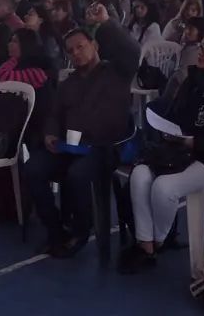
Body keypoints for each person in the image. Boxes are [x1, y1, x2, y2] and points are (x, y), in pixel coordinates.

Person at [119, 32, 204, 274]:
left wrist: (197, 143)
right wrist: (169, 131)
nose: (200, 52)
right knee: (139, 175)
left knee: (164, 188)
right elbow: (174, 113)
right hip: (177, 149)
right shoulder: (193, 81)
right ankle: (145, 245)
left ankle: (158, 240)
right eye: (200, 47)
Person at [24, 29, 132, 259]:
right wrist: (51, 134)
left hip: (102, 147)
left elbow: (132, 50)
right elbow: (54, 114)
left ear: (94, 45)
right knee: (33, 168)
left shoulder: (116, 74)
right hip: (68, 145)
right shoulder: (69, 82)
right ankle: (55, 229)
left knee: (77, 174)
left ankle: (80, 230)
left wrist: (106, 22)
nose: (76, 54)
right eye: (71, 51)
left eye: (80, 47)